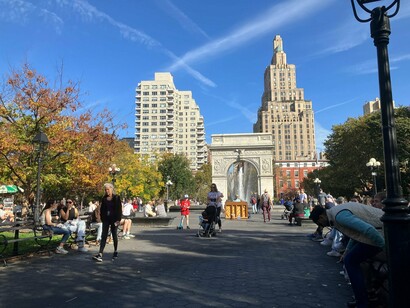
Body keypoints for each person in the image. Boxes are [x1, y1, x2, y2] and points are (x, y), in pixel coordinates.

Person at [310, 201, 385, 308]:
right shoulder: (336, 213)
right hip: (377, 234)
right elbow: (355, 234)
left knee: (350, 262)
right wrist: (347, 251)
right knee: (350, 259)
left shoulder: (339, 217)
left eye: (320, 223)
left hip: (381, 233)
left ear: (321, 216)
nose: (322, 226)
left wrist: (384, 247)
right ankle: (366, 296)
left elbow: (368, 230)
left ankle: (362, 302)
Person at [93, 183, 122, 262]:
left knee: (114, 234)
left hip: (114, 219)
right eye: (105, 190)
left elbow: (119, 209)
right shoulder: (104, 198)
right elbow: (102, 209)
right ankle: (100, 253)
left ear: (112, 189)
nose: (107, 191)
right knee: (104, 235)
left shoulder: (116, 198)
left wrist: (118, 219)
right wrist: (102, 218)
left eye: (108, 189)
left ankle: (115, 251)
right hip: (106, 219)